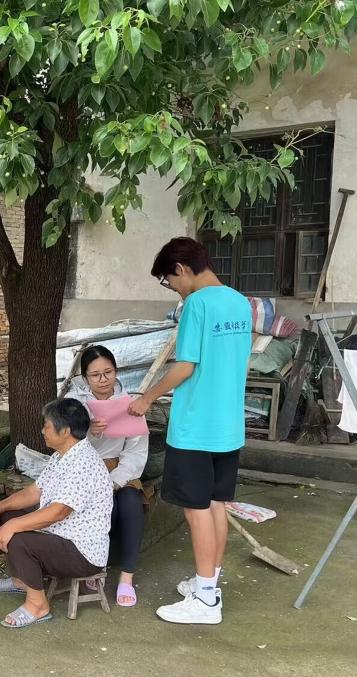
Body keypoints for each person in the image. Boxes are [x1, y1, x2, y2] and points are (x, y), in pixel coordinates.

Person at [128, 237, 252, 625]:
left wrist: (147, 397)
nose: (175, 290)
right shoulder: (239, 302)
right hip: (228, 425)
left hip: (196, 427)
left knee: (197, 511)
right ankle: (208, 582)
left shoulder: (196, 304)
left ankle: (206, 602)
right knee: (215, 505)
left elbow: (185, 367)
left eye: (170, 282)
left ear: (181, 269)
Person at [0, 399, 113, 628]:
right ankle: (22, 580)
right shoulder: (61, 456)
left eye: (47, 426)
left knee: (19, 539)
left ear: (65, 431)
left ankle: (37, 606)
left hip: (82, 552)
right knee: (6, 517)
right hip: (60, 536)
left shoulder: (84, 463)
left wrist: (13, 527)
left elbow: (58, 512)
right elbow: (35, 491)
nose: (43, 431)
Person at [68, 345, 148, 607]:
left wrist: (114, 480)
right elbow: (64, 445)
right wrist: (88, 431)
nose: (103, 380)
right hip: (85, 471)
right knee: (103, 509)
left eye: (108, 372)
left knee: (131, 503)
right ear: (84, 377)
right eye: (95, 375)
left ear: (116, 371)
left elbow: (136, 452)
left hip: (120, 469)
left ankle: (127, 577)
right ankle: (95, 567)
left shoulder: (131, 404)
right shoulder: (74, 404)